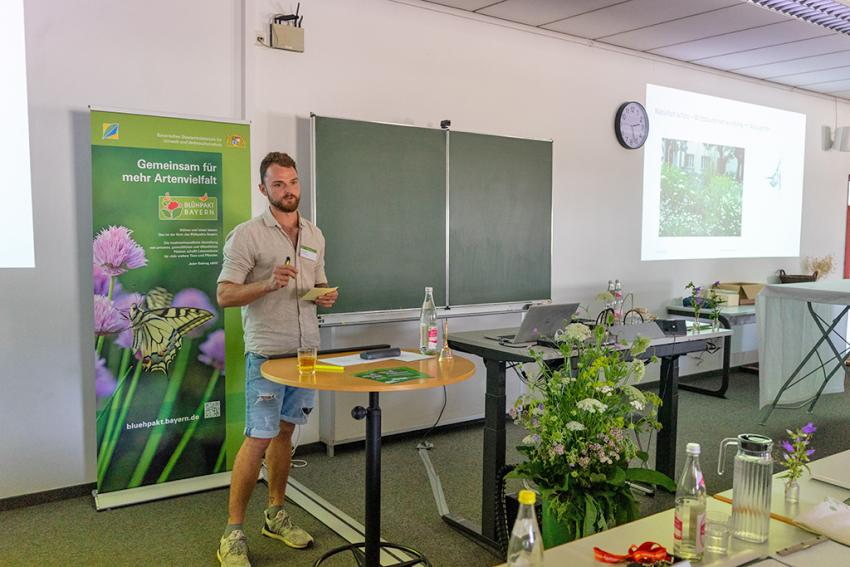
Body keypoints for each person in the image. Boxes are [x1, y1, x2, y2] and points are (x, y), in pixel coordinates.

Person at [215, 152, 338, 567]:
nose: (289, 190)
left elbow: (314, 286)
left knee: (285, 435)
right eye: (279, 184)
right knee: (258, 438)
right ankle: (233, 532)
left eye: (293, 182)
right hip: (267, 354)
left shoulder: (315, 235)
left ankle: (275, 514)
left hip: (305, 354)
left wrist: (324, 294)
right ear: (263, 188)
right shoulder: (247, 236)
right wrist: (268, 284)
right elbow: (226, 295)